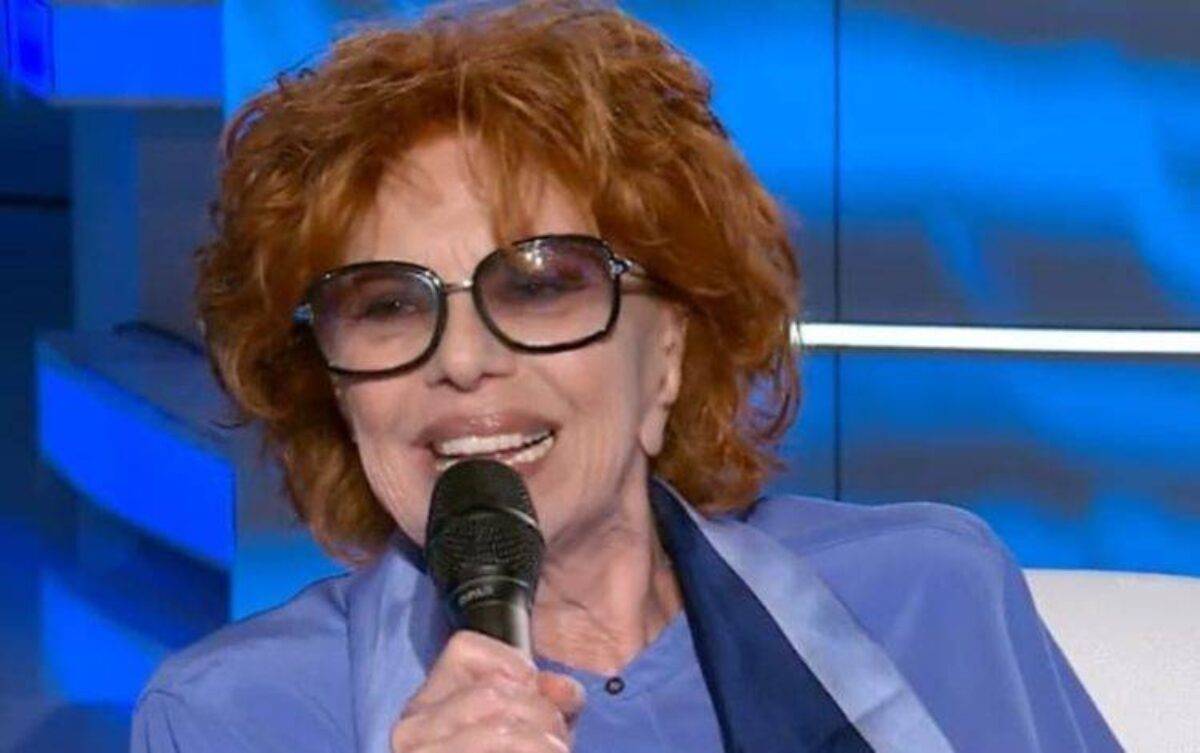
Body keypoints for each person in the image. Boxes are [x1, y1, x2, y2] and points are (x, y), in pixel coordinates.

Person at [131, 1, 1122, 751]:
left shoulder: (929, 597)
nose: (462, 359)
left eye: (539, 286)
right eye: (387, 304)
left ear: (670, 352)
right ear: (335, 386)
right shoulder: (233, 716)